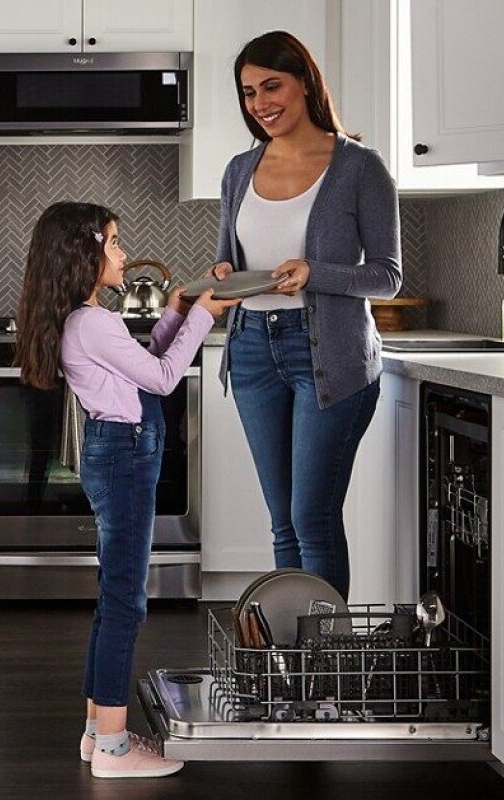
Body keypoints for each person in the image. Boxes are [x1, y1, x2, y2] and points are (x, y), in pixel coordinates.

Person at [15, 202, 237, 779]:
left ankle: (97, 732)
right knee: (124, 603)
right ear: (83, 254)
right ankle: (114, 750)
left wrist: (179, 310)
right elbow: (164, 378)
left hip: (118, 450)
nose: (121, 253)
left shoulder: (88, 319)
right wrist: (205, 318)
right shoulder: (92, 322)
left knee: (113, 597)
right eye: (113, 242)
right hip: (124, 455)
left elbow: (146, 360)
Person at [208, 30, 401, 600]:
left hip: (330, 357)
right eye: (248, 92)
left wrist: (317, 272)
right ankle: (294, 670)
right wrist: (222, 277)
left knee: (312, 517)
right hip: (250, 352)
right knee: (283, 523)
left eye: (272, 86)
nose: (260, 103)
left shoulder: (360, 167)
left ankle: (327, 670)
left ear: (305, 84)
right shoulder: (239, 169)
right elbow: (228, 260)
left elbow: (387, 277)